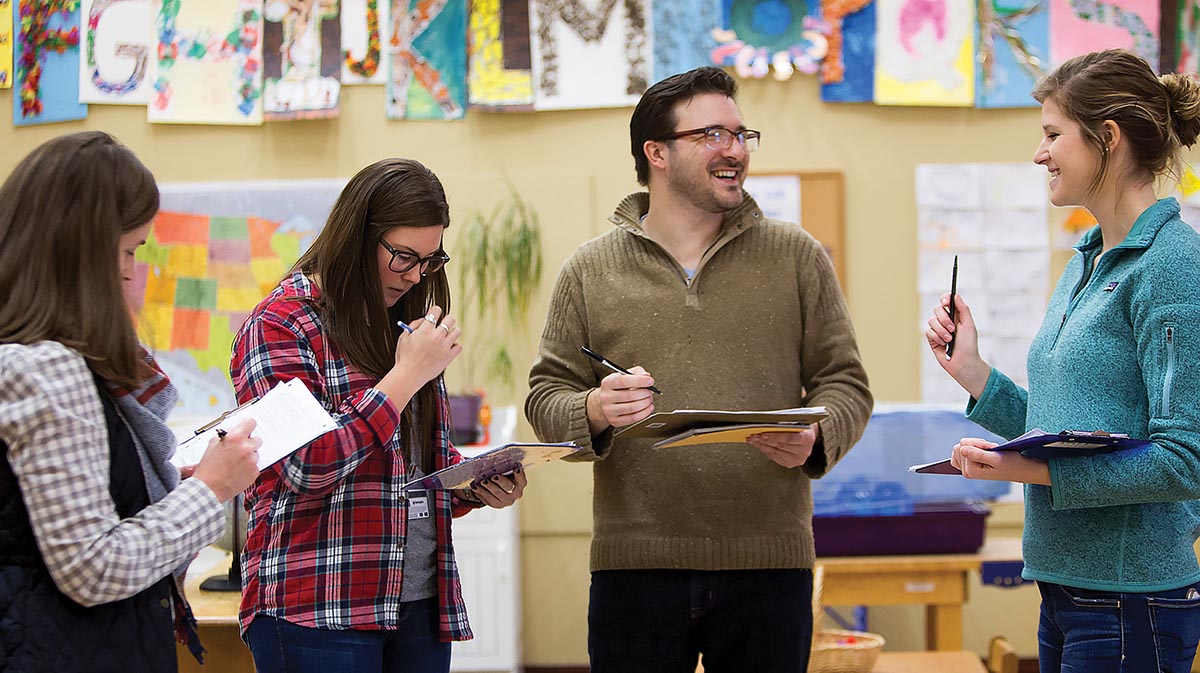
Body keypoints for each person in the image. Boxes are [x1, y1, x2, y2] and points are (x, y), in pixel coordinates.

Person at [525, 66, 873, 673]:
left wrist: (817, 436)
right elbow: (546, 396)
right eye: (713, 134)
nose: (734, 149)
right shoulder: (588, 270)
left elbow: (844, 383)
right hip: (634, 567)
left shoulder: (796, 256)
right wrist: (594, 409)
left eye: (741, 134)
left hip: (770, 565)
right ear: (656, 152)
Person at [925, 49, 1200, 672]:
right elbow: (1066, 427)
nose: (1038, 153)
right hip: (1069, 591)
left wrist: (1021, 471)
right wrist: (974, 374)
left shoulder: (1172, 266)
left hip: (1133, 601)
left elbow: (1188, 460)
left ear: (1107, 139)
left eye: (1052, 134)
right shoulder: (1088, 259)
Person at [230, 157, 526, 673]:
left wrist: (470, 484)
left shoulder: (401, 327)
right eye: (403, 256)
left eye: (429, 260)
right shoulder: (280, 325)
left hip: (417, 603)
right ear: (356, 236)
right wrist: (405, 377)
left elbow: (406, 466)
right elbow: (306, 465)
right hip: (316, 608)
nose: (415, 276)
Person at [0, 131, 262, 673]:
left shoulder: (50, 363)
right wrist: (212, 489)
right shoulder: (46, 369)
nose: (129, 272)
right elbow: (93, 567)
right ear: (83, 254)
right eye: (127, 250)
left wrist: (186, 492)